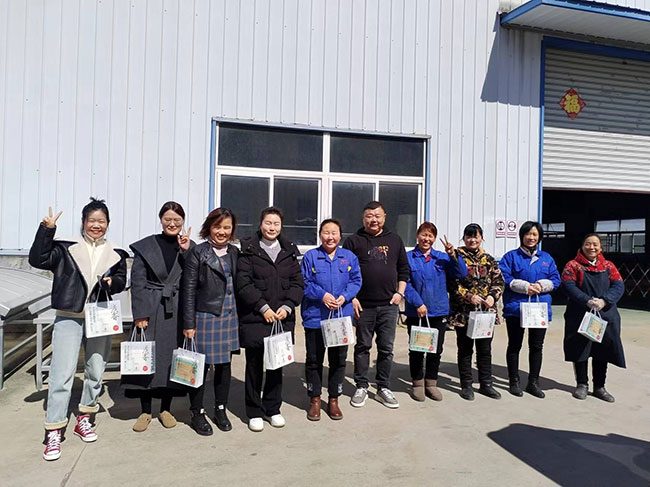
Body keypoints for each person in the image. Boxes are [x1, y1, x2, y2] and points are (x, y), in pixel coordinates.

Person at [29, 198, 128, 461]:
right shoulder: (65, 247)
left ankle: (85, 417)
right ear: (83, 222)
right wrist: (47, 230)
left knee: (96, 369)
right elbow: (38, 259)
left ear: (108, 224)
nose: (96, 225)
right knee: (62, 373)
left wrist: (112, 282)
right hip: (69, 315)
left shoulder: (116, 252)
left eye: (101, 221)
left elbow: (121, 280)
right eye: (92, 220)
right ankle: (54, 429)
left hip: (101, 316)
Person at [123, 202, 193, 433]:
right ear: (161, 219)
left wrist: (187, 251)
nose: (172, 224)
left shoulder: (188, 246)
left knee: (169, 359)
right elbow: (138, 282)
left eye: (177, 220)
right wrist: (140, 314)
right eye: (168, 219)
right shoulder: (146, 246)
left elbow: (195, 277)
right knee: (146, 358)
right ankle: (145, 411)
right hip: (151, 308)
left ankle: (165, 409)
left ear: (182, 221)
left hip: (176, 309)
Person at [236, 207, 304, 432]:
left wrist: (288, 306)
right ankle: (254, 411)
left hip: (282, 318)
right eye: (268, 223)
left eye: (276, 224)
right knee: (254, 366)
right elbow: (243, 283)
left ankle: (273, 408)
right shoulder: (248, 249)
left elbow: (297, 283)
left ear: (281, 226)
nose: (271, 228)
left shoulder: (289, 250)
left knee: (276, 366)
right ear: (260, 224)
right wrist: (262, 307)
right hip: (256, 317)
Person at [342, 201, 410, 409]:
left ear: (384, 217)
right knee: (363, 346)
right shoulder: (353, 241)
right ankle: (361, 386)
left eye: (377, 216)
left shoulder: (395, 240)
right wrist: (352, 298)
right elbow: (345, 273)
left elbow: (404, 269)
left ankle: (383, 387)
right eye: (369, 216)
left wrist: (400, 293)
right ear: (363, 218)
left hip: (389, 305)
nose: (374, 220)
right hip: (363, 305)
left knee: (386, 348)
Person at [181, 208, 240, 435]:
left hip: (230, 316)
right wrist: (189, 323)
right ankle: (197, 412)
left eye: (226, 227)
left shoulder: (235, 252)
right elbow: (188, 290)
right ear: (209, 228)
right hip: (205, 316)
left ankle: (220, 409)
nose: (222, 232)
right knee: (200, 367)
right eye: (217, 227)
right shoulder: (199, 252)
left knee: (224, 367)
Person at [300, 219, 362, 421]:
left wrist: (345, 296)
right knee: (314, 360)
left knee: (338, 360)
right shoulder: (311, 257)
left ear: (340, 235)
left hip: (340, 318)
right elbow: (304, 282)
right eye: (326, 232)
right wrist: (322, 295)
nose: (330, 237)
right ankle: (315, 399)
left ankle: (334, 399)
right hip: (315, 318)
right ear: (320, 235)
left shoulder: (349, 257)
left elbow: (356, 281)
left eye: (334, 233)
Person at [403, 222, 467, 402]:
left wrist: (453, 255)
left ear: (434, 239)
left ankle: (431, 383)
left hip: (438, 311)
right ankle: (417, 383)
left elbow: (461, 273)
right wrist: (418, 303)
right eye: (424, 235)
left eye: (430, 236)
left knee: (435, 350)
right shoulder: (408, 258)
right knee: (416, 349)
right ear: (417, 236)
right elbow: (405, 283)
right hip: (417, 312)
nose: (427, 239)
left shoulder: (442, 258)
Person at [499, 221, 560, 399]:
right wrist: (525, 287)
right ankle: (514, 381)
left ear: (539, 237)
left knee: (536, 346)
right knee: (514, 345)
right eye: (528, 234)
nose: (531, 237)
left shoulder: (546, 258)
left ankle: (533, 382)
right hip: (516, 308)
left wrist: (541, 285)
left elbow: (556, 279)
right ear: (522, 236)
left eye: (535, 234)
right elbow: (503, 276)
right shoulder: (511, 256)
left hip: (538, 309)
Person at [560, 234, 625, 402]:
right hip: (579, 314)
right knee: (580, 349)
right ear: (582, 246)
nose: (592, 247)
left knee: (602, 350)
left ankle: (599, 387)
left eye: (595, 244)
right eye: (588, 244)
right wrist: (587, 301)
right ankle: (582, 384)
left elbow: (618, 285)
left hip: (605, 314)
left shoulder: (608, 266)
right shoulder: (573, 265)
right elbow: (568, 285)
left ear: (601, 248)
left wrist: (605, 300)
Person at [448, 223, 505, 401]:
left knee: (484, 349)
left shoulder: (488, 259)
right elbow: (452, 283)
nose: (472, 240)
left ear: (481, 238)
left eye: (476, 236)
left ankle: (486, 384)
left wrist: (492, 297)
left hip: (485, 314)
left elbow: (499, 281)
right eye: (469, 236)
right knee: (465, 349)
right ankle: (466, 384)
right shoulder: (456, 257)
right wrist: (468, 296)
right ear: (464, 238)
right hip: (464, 313)